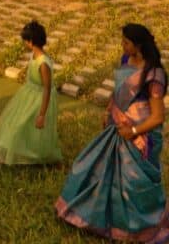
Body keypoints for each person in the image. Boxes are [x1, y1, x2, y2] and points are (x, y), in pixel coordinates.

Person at [56, 23, 169, 242]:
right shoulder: (126, 61)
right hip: (117, 127)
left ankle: (139, 227)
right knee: (94, 168)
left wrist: (133, 130)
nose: (122, 45)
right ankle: (97, 218)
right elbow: (119, 89)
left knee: (134, 183)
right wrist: (109, 109)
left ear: (137, 46)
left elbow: (158, 117)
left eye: (126, 42)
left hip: (140, 136)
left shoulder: (154, 75)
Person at [0, 19, 62, 165]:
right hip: (28, 94)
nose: (24, 44)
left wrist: (42, 114)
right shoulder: (34, 55)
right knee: (19, 124)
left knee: (25, 126)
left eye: (25, 41)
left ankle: (36, 156)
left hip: (39, 98)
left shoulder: (43, 63)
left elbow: (47, 89)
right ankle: (16, 153)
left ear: (31, 42)